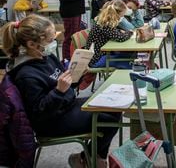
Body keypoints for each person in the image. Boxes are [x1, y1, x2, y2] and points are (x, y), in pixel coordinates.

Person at [2, 15, 120, 168]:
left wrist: (77, 75)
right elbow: (39, 112)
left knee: (116, 108)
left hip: (66, 105)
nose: (54, 44)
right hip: (52, 121)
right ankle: (91, 159)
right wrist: (59, 91)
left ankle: (88, 157)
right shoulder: (26, 75)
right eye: (50, 41)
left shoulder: (46, 56)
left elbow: (64, 83)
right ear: (32, 44)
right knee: (108, 121)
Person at [85, 0, 133, 69]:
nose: (122, 18)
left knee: (129, 56)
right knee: (130, 62)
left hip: (101, 55)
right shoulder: (105, 24)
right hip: (97, 59)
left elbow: (114, 33)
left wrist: (120, 31)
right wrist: (130, 32)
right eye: (121, 16)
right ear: (116, 14)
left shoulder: (104, 21)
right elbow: (120, 38)